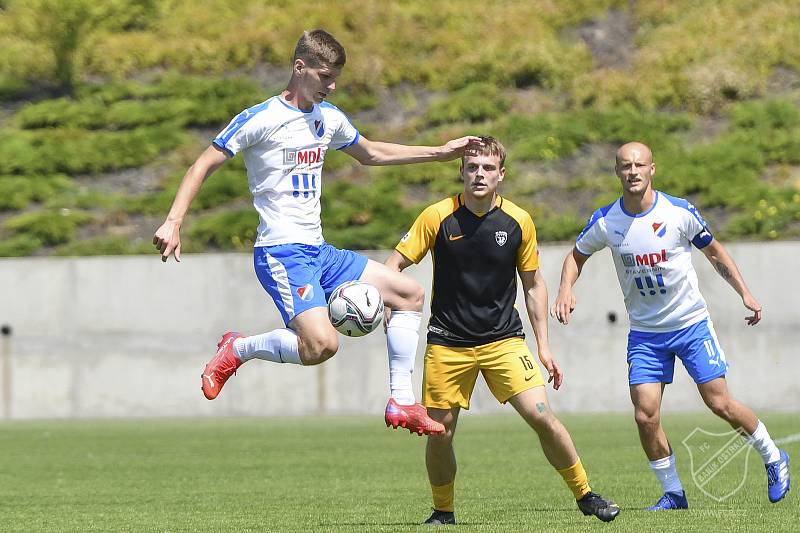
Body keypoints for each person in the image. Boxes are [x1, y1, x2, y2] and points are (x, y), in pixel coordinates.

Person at [153, 28, 481, 436]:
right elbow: (203, 163)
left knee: (408, 294)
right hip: (281, 251)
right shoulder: (262, 118)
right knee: (321, 346)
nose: (332, 85)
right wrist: (174, 220)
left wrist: (439, 153)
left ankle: (401, 400)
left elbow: (372, 153)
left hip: (320, 251)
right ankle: (237, 349)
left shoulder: (329, 120)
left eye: (335, 77)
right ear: (299, 67)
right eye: (325, 76)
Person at [384, 136, 620, 524]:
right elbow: (392, 265)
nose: (479, 174)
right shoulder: (436, 216)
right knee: (439, 434)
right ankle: (443, 512)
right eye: (472, 167)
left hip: (504, 341)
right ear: (460, 171)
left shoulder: (518, 221)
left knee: (543, 415)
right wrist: (391, 299)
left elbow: (533, 284)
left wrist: (543, 347)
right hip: (447, 343)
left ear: (501, 174)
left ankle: (585, 494)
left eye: (488, 168)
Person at [551, 141, 791, 509]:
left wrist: (745, 293)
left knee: (720, 403)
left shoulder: (678, 213)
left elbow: (715, 251)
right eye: (625, 166)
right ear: (617, 171)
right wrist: (566, 288)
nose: (632, 171)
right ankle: (674, 494)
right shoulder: (606, 220)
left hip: (691, 325)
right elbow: (576, 255)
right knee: (645, 415)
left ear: (652, 169)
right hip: (646, 334)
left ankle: (774, 458)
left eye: (639, 165)